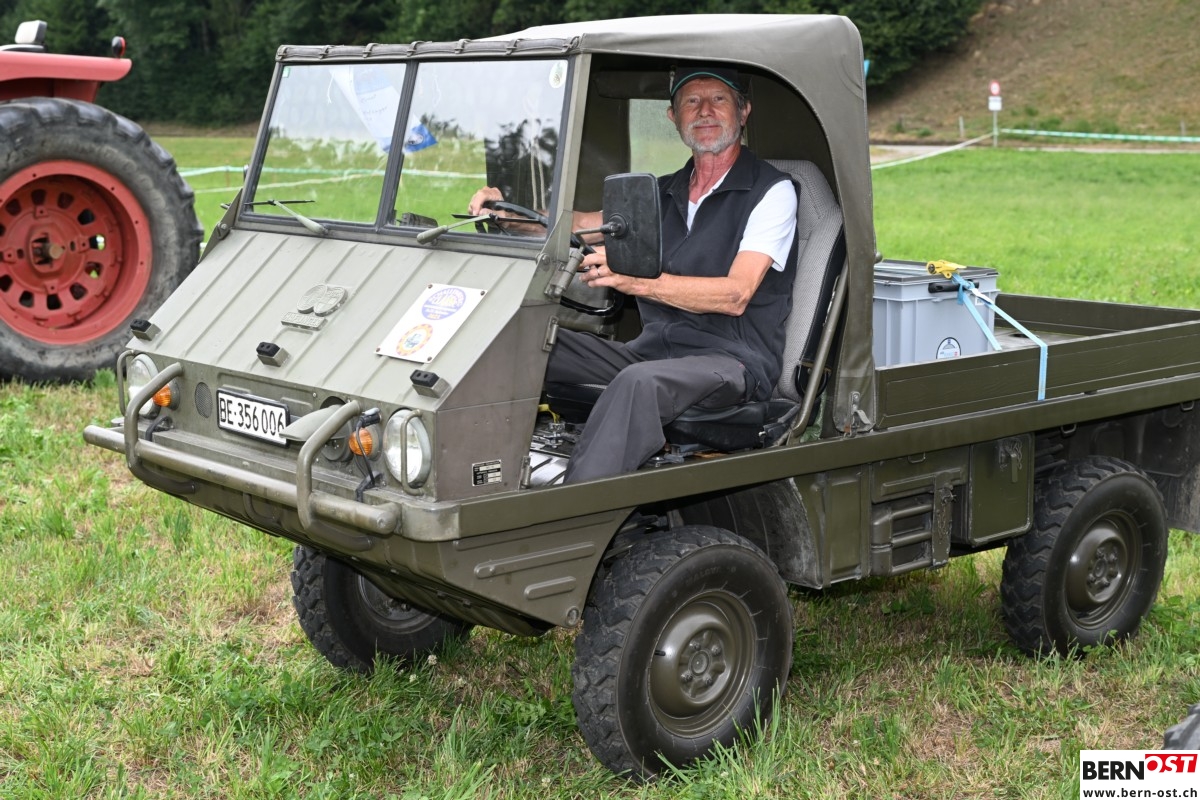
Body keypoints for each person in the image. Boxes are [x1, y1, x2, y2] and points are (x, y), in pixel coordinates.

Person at [470, 66, 798, 482]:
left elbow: (736, 294)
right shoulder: (662, 192)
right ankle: (472, 480)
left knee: (638, 383)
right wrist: (509, 214)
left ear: (743, 111)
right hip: (652, 352)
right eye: (691, 102)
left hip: (731, 363)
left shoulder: (772, 192)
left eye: (718, 99)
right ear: (673, 117)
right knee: (517, 340)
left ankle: (575, 509)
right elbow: (581, 225)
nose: (705, 111)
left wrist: (634, 280)